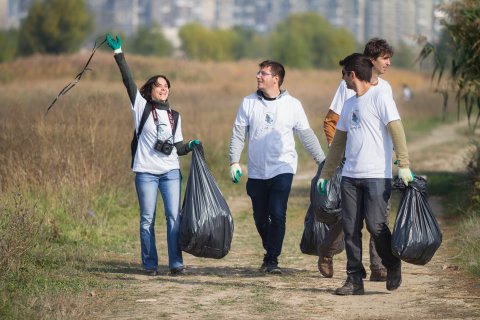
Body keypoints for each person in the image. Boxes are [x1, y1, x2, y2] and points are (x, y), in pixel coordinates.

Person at [317, 53, 413, 295]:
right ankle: (354, 279)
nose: (343, 80)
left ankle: (392, 264)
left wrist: (403, 164)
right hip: (350, 176)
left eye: (344, 75)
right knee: (350, 228)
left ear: (352, 74)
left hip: (376, 176)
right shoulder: (349, 104)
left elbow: (397, 131)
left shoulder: (381, 97)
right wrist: (326, 174)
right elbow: (338, 144)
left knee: (377, 225)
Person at [106, 33, 200, 276]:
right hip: (146, 172)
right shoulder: (141, 107)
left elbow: (178, 147)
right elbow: (127, 80)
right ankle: (149, 265)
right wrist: (119, 53)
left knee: (173, 218)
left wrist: (191, 145)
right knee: (147, 220)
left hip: (170, 172)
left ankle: (176, 264)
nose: (164, 89)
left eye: (167, 86)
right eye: (159, 85)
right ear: (150, 89)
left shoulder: (174, 116)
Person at [229, 60, 326, 274]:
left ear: (276, 79)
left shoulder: (293, 105)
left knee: (278, 213)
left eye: (263, 73)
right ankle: (270, 245)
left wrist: (322, 161)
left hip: (283, 167)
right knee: (260, 217)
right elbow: (238, 134)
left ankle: (271, 259)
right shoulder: (248, 102)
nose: (258, 76)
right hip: (256, 170)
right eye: (258, 72)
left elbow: (306, 135)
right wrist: (234, 161)